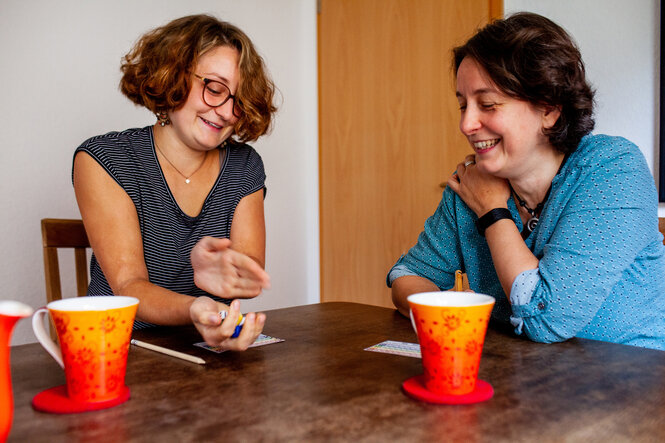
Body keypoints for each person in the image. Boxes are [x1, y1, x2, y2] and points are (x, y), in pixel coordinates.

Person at [388, 12, 665, 350]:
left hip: (632, 391)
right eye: (463, 106)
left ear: (548, 108)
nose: (467, 124)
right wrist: (451, 317)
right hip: (519, 383)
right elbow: (409, 275)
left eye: (487, 104)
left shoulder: (613, 169)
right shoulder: (471, 185)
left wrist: (492, 211)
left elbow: (548, 317)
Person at [73, 14, 276, 350]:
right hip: (115, 350)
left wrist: (231, 274)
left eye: (238, 101)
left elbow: (248, 273)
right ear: (173, 75)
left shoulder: (244, 166)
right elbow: (129, 286)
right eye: (214, 88)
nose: (226, 112)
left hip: (198, 347)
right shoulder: (104, 159)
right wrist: (195, 305)